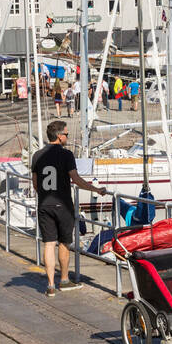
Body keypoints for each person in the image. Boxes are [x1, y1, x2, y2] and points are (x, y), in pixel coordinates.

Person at [32, 119, 106, 297]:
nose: (67, 136)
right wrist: (96, 189)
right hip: (62, 204)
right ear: (59, 136)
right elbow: (76, 179)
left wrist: (44, 194)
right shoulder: (66, 155)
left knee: (49, 243)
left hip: (44, 203)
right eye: (66, 134)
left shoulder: (37, 155)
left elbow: (35, 183)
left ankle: (50, 285)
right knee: (64, 243)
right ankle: (64, 280)